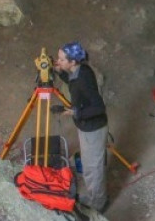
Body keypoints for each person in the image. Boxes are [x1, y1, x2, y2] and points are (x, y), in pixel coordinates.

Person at [54, 41, 108, 212]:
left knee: (93, 168)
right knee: (89, 163)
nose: (58, 61)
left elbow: (99, 108)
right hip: (86, 127)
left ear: (72, 61)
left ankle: (98, 204)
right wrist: (58, 71)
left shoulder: (83, 77)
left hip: (93, 129)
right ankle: (95, 196)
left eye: (62, 59)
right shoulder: (77, 71)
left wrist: (74, 112)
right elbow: (72, 82)